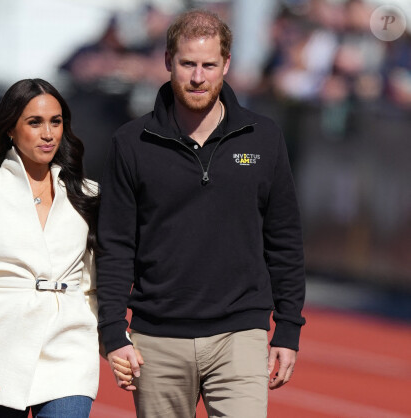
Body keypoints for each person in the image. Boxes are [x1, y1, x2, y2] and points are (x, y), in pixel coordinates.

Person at [96, 9, 306, 418]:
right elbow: (116, 244)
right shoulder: (130, 142)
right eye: (187, 64)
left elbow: (284, 239)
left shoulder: (264, 137)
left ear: (226, 65)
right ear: (167, 62)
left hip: (241, 334)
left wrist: (288, 330)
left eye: (209, 65)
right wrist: (111, 331)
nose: (198, 76)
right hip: (156, 339)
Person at [0, 78, 100, 417]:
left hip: (70, 351)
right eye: (35, 122)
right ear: (10, 130)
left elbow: (93, 283)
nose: (48, 134)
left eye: (55, 122)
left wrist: (112, 340)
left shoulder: (87, 194)